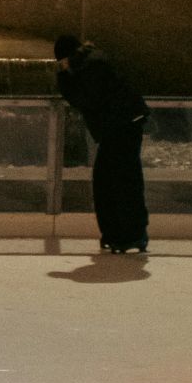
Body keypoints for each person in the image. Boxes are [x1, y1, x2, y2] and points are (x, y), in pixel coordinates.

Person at [56, 35, 150, 254]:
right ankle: (122, 234)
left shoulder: (92, 66)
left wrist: (63, 76)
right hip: (121, 126)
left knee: (116, 181)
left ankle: (128, 234)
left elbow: (83, 99)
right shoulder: (92, 61)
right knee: (114, 180)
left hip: (121, 127)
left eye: (61, 62)